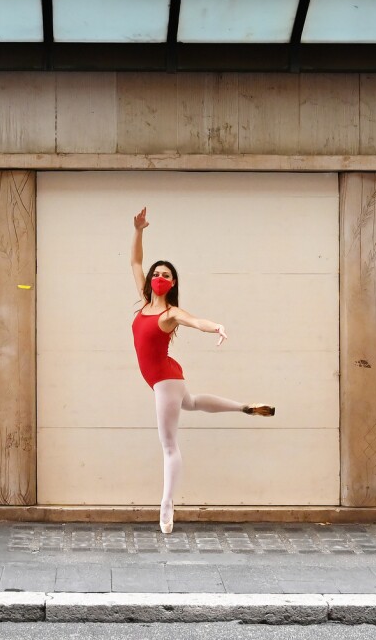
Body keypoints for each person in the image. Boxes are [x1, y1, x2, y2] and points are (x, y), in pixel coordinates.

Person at [130, 206, 274, 534]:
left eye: (167, 275)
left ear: (173, 282)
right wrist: (139, 231)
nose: (160, 278)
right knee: (192, 403)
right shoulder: (143, 302)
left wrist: (216, 326)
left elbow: (195, 321)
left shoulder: (170, 313)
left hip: (164, 380)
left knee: (169, 446)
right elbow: (136, 262)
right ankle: (244, 407)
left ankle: (167, 506)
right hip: (169, 376)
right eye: (157, 274)